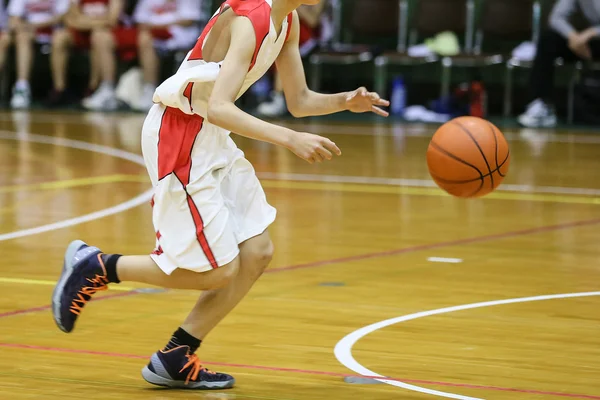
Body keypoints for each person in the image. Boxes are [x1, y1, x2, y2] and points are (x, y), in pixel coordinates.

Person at [52, 0, 388, 389]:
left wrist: (345, 101)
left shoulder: (289, 21)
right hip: (179, 134)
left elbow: (298, 102)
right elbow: (221, 108)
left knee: (256, 252)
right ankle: (97, 265)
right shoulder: (250, 20)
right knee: (216, 271)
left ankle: (176, 356)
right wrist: (289, 139)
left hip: (209, 136)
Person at [519, 0, 600, 128]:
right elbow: (556, 18)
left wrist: (590, 33)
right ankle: (540, 105)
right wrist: (573, 37)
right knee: (548, 40)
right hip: (587, 43)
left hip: (592, 36)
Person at [49, 0, 137, 109]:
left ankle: (102, 88)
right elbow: (70, 20)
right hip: (83, 32)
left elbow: (112, 20)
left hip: (112, 33)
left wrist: (84, 21)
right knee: (59, 37)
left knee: (99, 36)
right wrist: (95, 23)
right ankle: (59, 89)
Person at [257, 0, 330, 116]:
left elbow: (312, 20)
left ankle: (278, 98)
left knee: (281, 47)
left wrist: (293, 4)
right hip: (286, 26)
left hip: (311, 37)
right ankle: (260, 89)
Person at [133, 0, 203, 111]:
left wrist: (158, 25)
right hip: (154, 34)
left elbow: (189, 20)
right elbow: (140, 20)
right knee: (144, 39)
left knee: (145, 38)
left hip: (181, 35)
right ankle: (149, 90)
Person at [6, 0, 70, 109]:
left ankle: (59, 90)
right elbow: (13, 19)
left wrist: (35, 25)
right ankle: (22, 88)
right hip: (29, 32)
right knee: (22, 37)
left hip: (53, 32)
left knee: (59, 38)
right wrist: (23, 27)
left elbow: (63, 16)